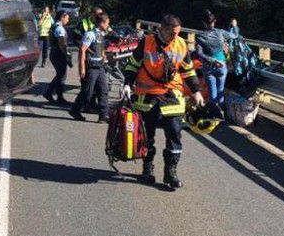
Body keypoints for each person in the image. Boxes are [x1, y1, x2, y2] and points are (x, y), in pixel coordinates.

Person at [122, 14, 204, 190]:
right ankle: (147, 167)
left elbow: (188, 71)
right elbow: (132, 65)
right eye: (172, 33)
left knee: (175, 133)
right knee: (146, 135)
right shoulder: (147, 43)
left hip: (172, 95)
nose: (175, 37)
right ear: (161, 29)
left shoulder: (181, 44)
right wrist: (127, 84)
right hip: (148, 96)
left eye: (177, 33)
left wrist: (196, 91)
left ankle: (171, 171)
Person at [69, 13, 112, 122]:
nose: (108, 25)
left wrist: (103, 55)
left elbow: (100, 47)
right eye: (107, 23)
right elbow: (82, 50)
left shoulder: (101, 34)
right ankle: (75, 110)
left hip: (100, 66)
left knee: (103, 90)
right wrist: (82, 68)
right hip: (91, 67)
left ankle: (103, 115)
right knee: (87, 91)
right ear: (102, 23)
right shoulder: (90, 34)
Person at [196, 10, 229, 107]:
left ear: (203, 23)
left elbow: (199, 53)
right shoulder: (220, 33)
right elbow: (235, 36)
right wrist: (235, 27)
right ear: (215, 21)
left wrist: (213, 61)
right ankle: (221, 113)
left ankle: (214, 114)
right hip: (222, 64)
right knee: (220, 91)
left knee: (212, 92)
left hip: (208, 66)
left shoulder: (200, 36)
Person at [44, 10, 72, 105]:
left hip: (54, 52)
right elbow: (62, 44)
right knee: (62, 75)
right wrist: (66, 55)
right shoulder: (59, 29)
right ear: (62, 17)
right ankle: (56, 96)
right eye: (67, 18)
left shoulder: (54, 26)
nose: (68, 20)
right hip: (58, 53)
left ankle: (50, 92)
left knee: (60, 74)